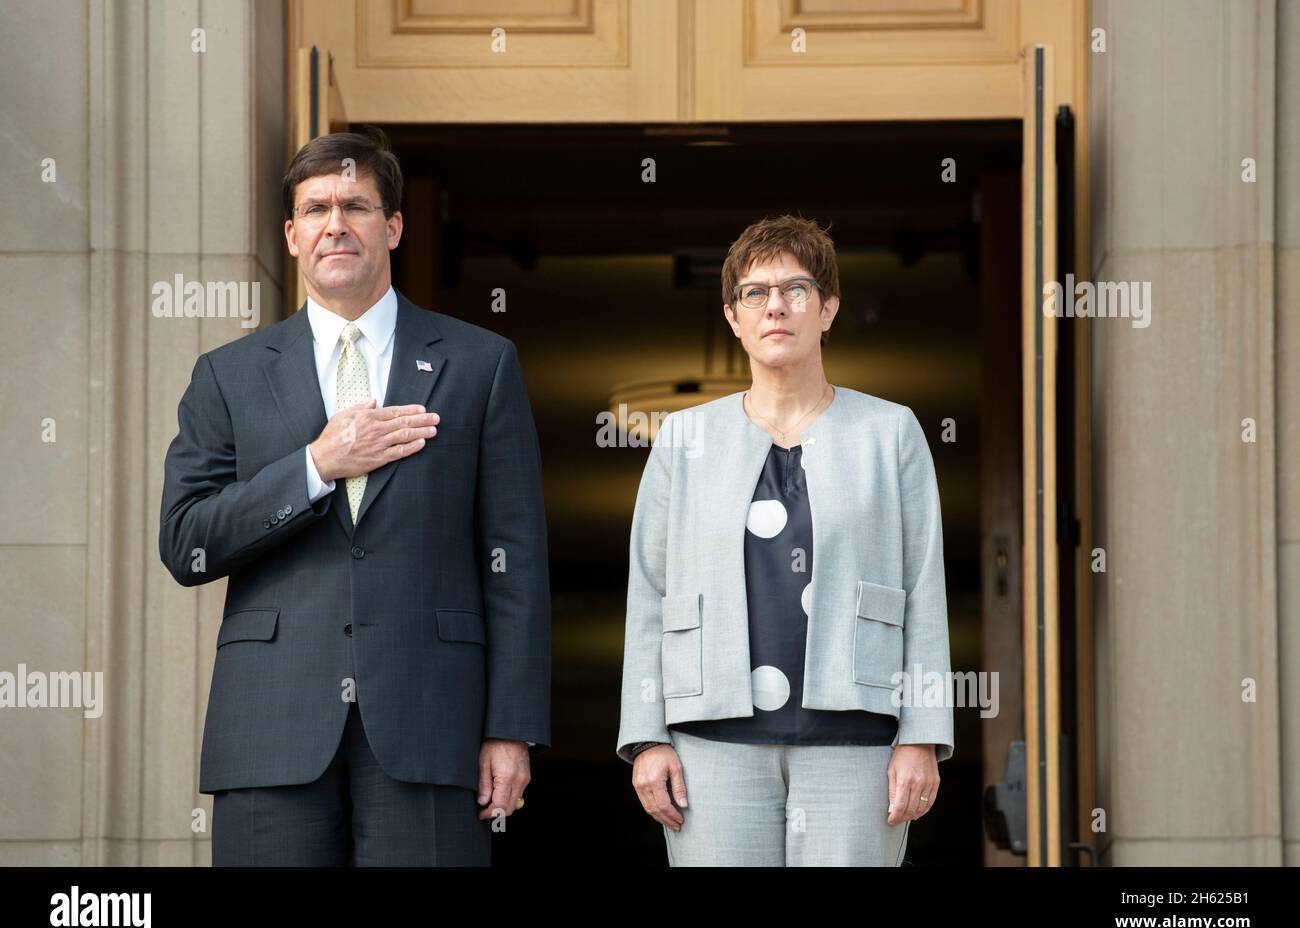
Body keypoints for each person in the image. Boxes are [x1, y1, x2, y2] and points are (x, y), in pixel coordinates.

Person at [159, 127, 550, 865]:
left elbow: (515, 560)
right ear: (292, 235)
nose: (334, 224)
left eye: (356, 206)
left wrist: (510, 728)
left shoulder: (479, 363)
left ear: (394, 227)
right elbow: (186, 542)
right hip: (269, 724)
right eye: (315, 210)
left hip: (433, 722)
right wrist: (314, 464)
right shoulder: (228, 374)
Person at [616, 214, 953, 866]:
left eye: (796, 289)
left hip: (856, 741)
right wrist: (646, 736)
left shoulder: (892, 433)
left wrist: (923, 735)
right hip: (710, 743)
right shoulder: (683, 440)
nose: (776, 306)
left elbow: (924, 588)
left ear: (828, 309)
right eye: (755, 292)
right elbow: (649, 594)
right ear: (732, 316)